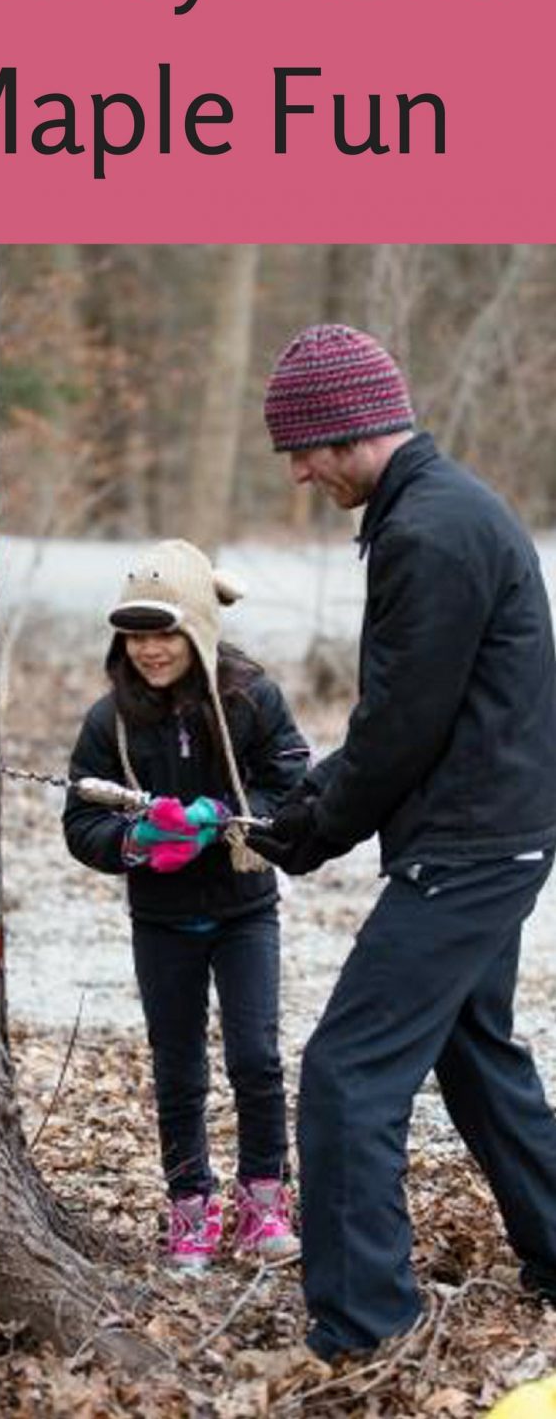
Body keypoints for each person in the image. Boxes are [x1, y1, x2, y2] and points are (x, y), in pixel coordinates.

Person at [253, 323, 556, 1364]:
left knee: (346, 1075)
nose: (298, 471)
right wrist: (315, 803)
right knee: (474, 1053)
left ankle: (362, 1325)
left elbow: (398, 724)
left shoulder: (426, 530)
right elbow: (408, 717)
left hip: (467, 849)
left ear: (349, 432)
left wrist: (312, 826)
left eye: (304, 447)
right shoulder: (436, 510)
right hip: (493, 835)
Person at [62, 538, 309, 1270]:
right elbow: (82, 820)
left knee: (256, 1057)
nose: (149, 649)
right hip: (162, 919)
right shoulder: (110, 721)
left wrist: (223, 817)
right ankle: (189, 1207)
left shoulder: (251, 700)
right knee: (177, 1065)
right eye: (136, 635)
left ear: (198, 627)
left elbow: (292, 783)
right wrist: (136, 841)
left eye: (164, 631)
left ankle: (265, 1199)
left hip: (244, 910)